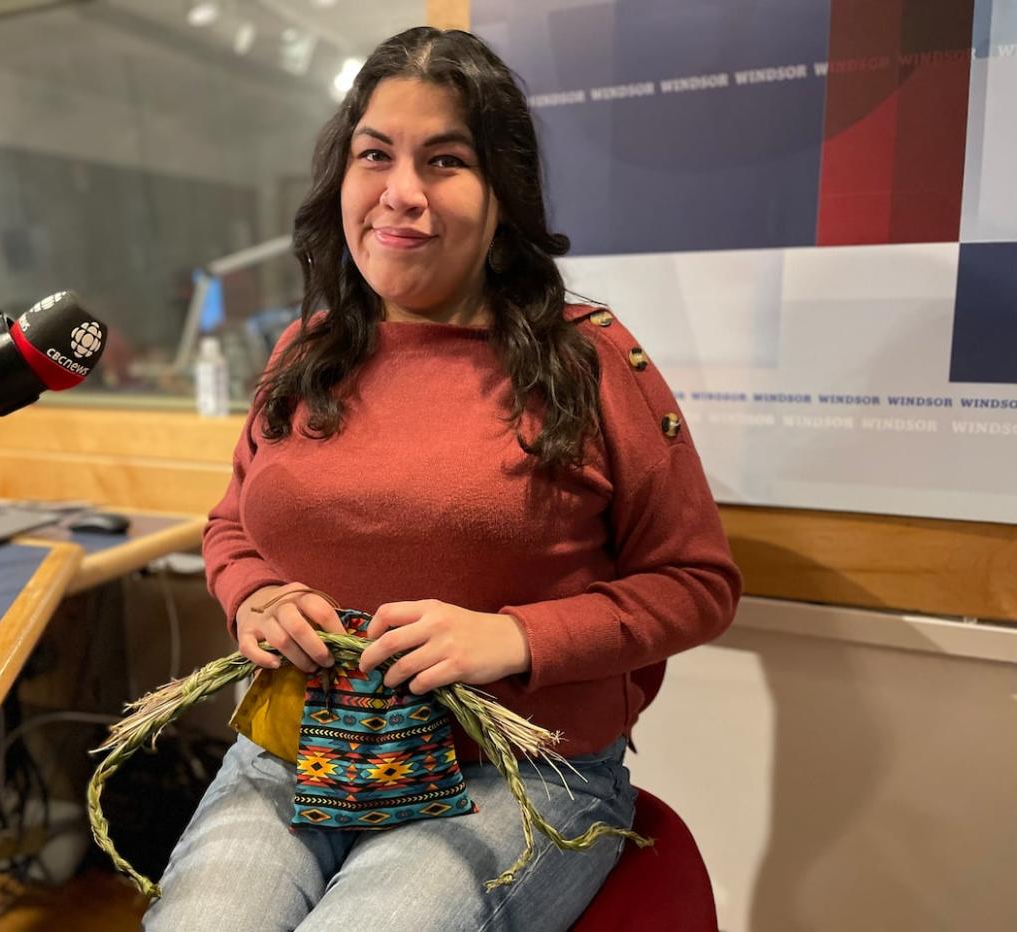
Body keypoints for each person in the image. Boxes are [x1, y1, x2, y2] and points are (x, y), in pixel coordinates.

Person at [145, 26, 741, 932]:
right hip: (293, 753)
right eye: (374, 155)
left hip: (512, 770)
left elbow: (697, 586)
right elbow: (233, 526)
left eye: (446, 161)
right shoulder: (301, 354)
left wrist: (514, 639)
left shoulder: (590, 360)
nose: (402, 194)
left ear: (503, 191)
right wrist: (255, 596)